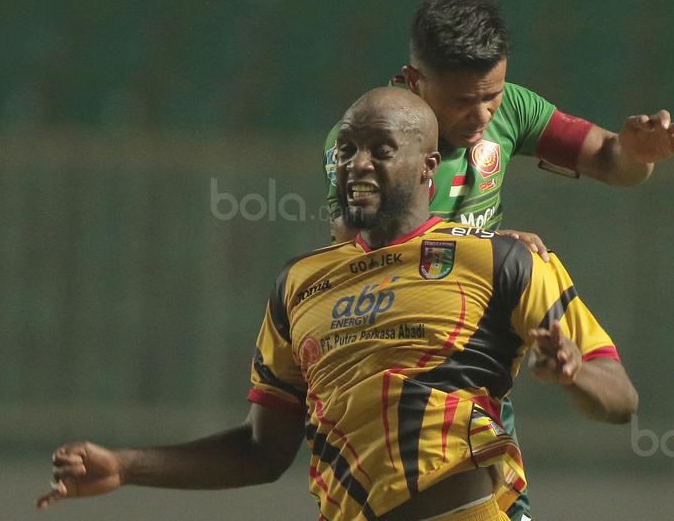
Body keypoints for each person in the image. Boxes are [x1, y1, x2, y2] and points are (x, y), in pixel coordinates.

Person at [39, 88, 638, 521]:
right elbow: (260, 451)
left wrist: (575, 373)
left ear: (429, 166)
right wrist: (125, 466)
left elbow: (621, 399)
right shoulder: (298, 285)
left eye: (381, 147)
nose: (358, 162)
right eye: (347, 147)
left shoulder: (500, 260)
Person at [321, 0, 674, 519]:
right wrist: (479, 248)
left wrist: (637, 154)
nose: (481, 115)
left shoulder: (511, 109)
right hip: (390, 379)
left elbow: (610, 161)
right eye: (460, 101)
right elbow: (358, 245)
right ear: (414, 81)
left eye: (490, 95)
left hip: (473, 382)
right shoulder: (365, 139)